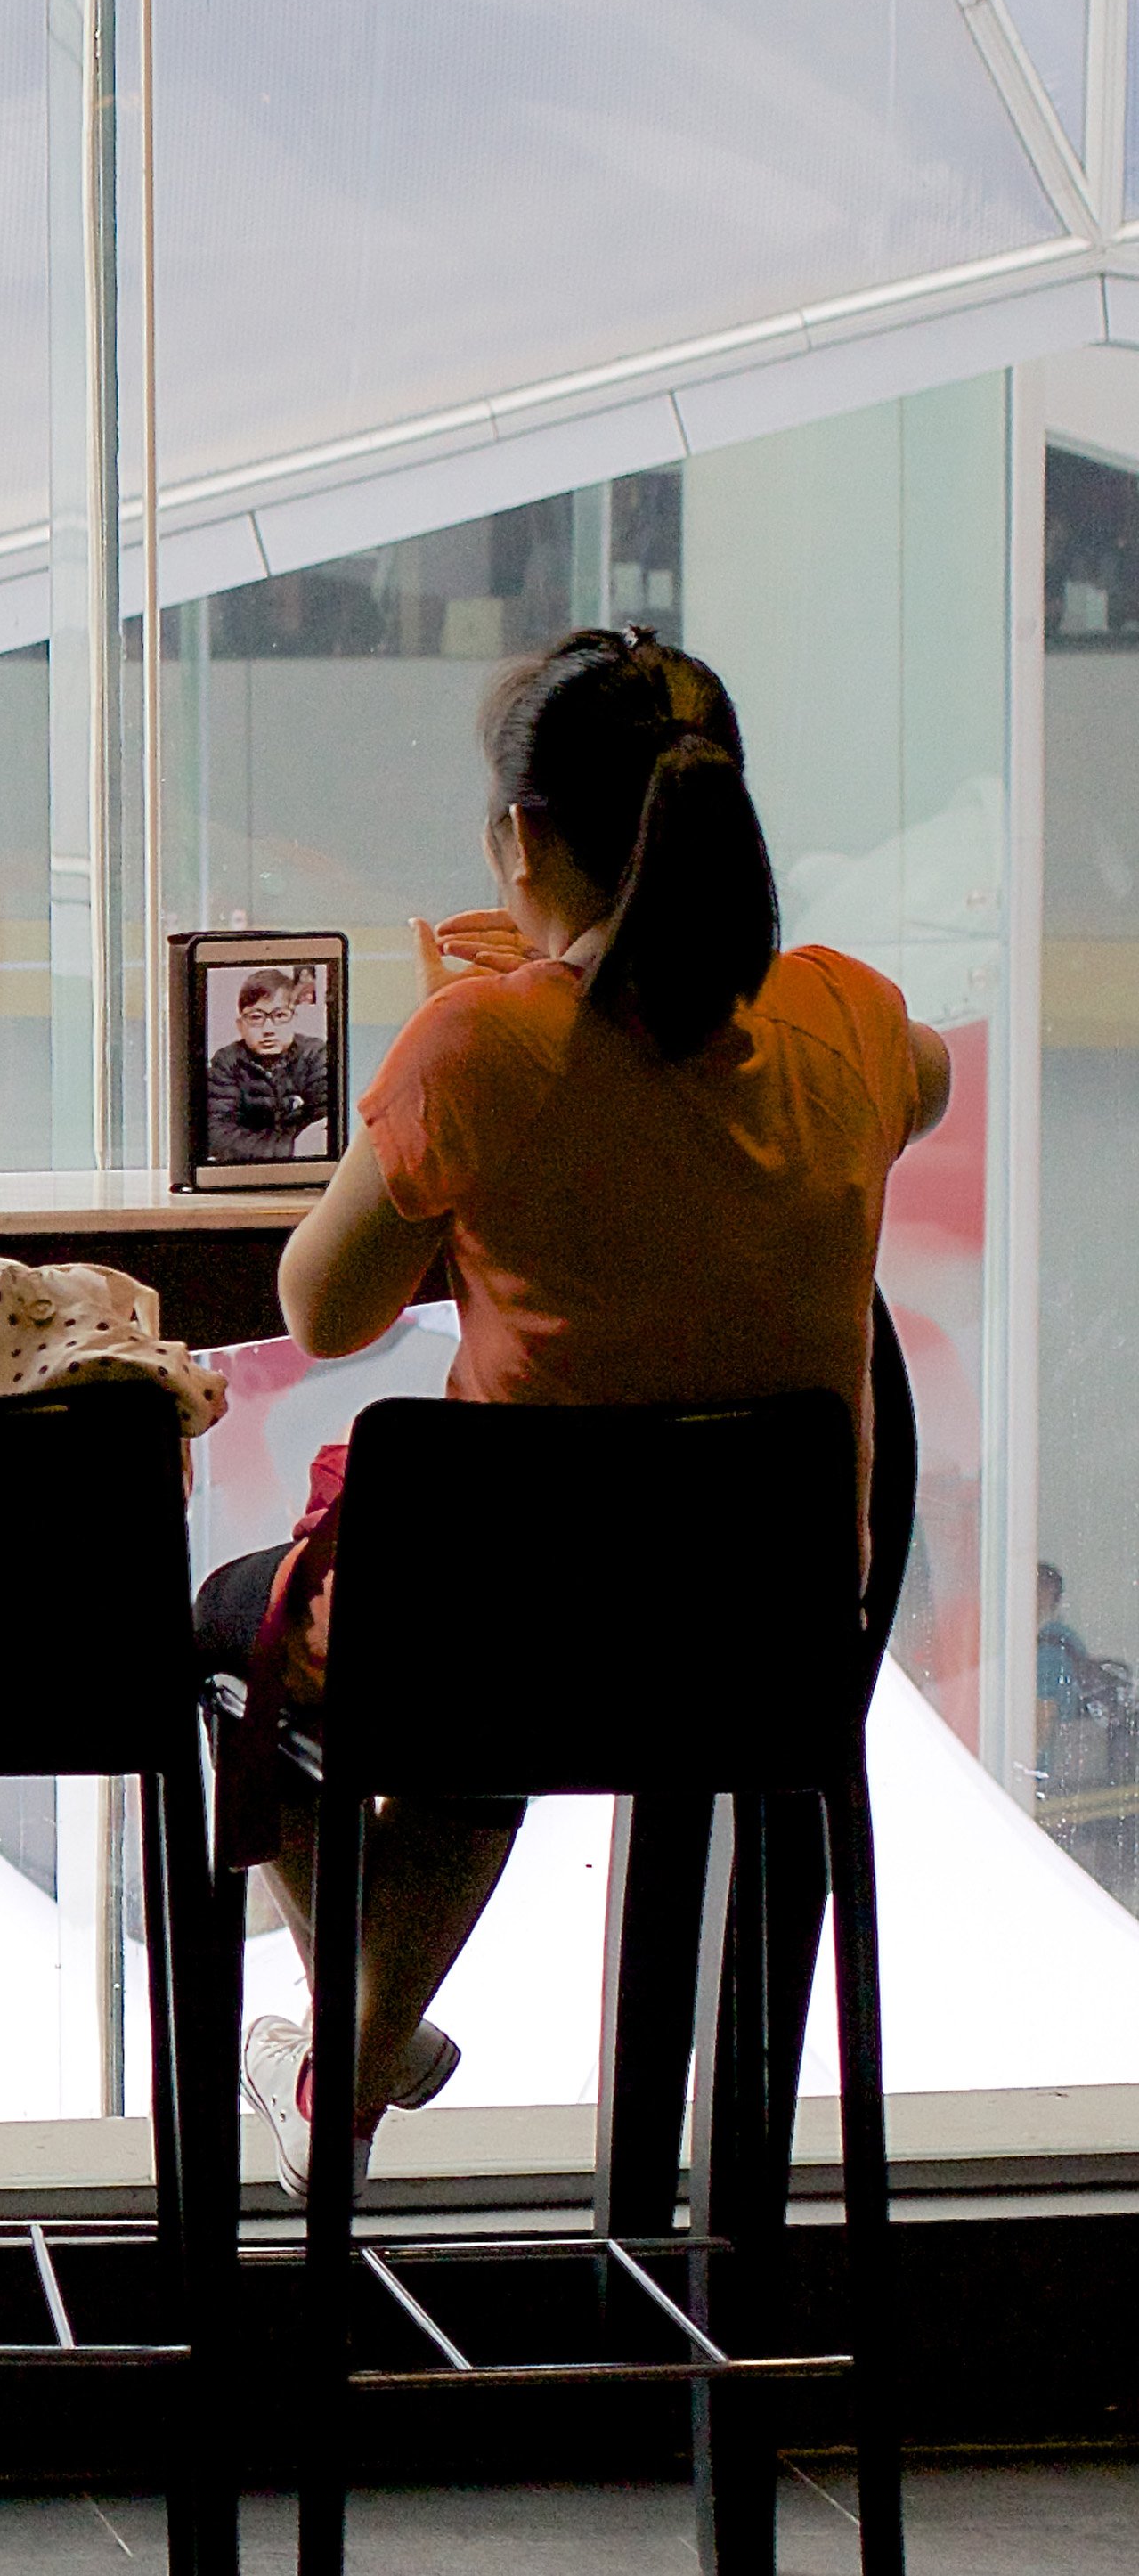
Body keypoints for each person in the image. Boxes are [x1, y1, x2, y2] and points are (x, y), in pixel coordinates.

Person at [197, 626, 952, 2201]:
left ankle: (352, 2046)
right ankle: (359, 2059)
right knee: (511, 1630)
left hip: (510, 1646)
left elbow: (318, 1309)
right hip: (760, 1650)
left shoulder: (481, 1048)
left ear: (523, 841)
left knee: (237, 1620)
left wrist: (471, 1054)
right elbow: (919, 1081)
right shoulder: (854, 1023)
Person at [207, 967, 330, 1164]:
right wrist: (293, 1149)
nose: (268, 1030)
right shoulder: (226, 1063)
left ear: (293, 1019)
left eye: (280, 1016)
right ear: (241, 1026)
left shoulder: (315, 1055)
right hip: (246, 1173)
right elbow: (217, 1135)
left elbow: (326, 1127)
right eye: (256, 1018)